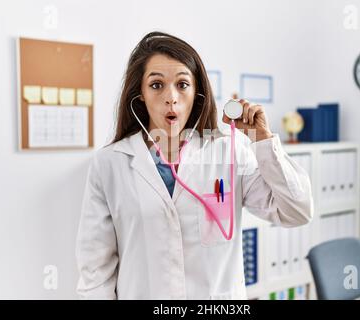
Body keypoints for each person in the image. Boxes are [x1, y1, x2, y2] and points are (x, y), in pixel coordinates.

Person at [75, 31, 314, 299]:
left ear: (197, 92)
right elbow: (95, 270)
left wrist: (263, 141)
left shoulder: (228, 152)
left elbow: (297, 210)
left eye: (182, 84)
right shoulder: (110, 164)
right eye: (156, 85)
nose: (171, 97)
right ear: (139, 94)